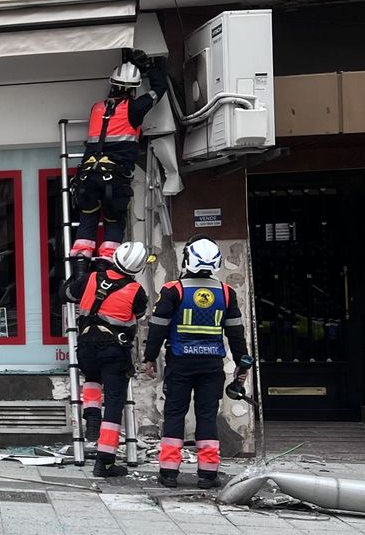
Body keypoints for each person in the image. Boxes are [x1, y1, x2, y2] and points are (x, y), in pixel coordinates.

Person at [143, 237, 255, 489]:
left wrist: (149, 357)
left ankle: (169, 473)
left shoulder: (174, 290)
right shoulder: (226, 293)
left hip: (180, 363)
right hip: (211, 365)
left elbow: (158, 328)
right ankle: (208, 474)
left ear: (187, 260)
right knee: (207, 415)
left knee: (174, 414)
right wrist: (241, 364)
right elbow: (236, 333)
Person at [71, 50, 172, 263]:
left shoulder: (97, 108)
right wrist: (148, 68)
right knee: (113, 222)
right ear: (134, 89)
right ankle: (108, 270)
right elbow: (160, 88)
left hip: (88, 177)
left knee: (88, 220)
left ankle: (80, 271)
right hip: (114, 180)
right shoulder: (134, 108)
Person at [69, 241, 150, 479]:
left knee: (92, 379)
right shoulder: (136, 291)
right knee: (114, 405)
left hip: (85, 346)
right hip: (115, 350)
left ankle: (92, 414)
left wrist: (80, 271)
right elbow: (139, 315)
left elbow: (68, 293)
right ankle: (104, 462)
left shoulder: (92, 278)